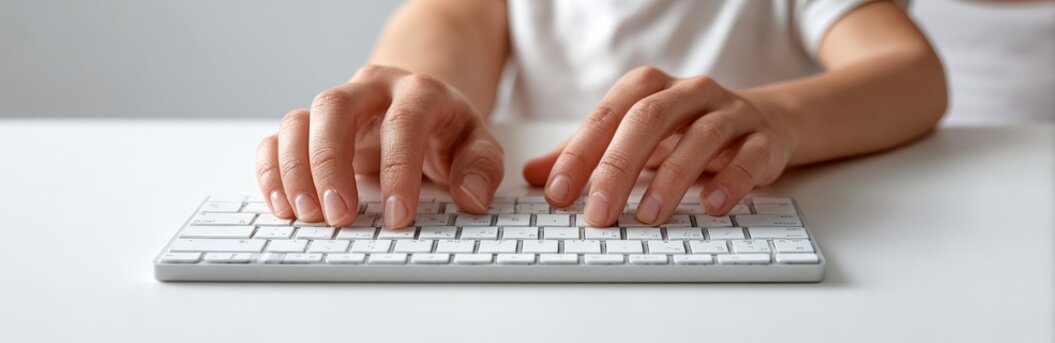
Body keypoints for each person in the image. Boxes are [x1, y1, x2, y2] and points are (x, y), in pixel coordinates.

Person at [254, 0, 947, 229]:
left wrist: (777, 118)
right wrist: (416, 97)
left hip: (721, 223)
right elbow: (451, 23)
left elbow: (911, 72)